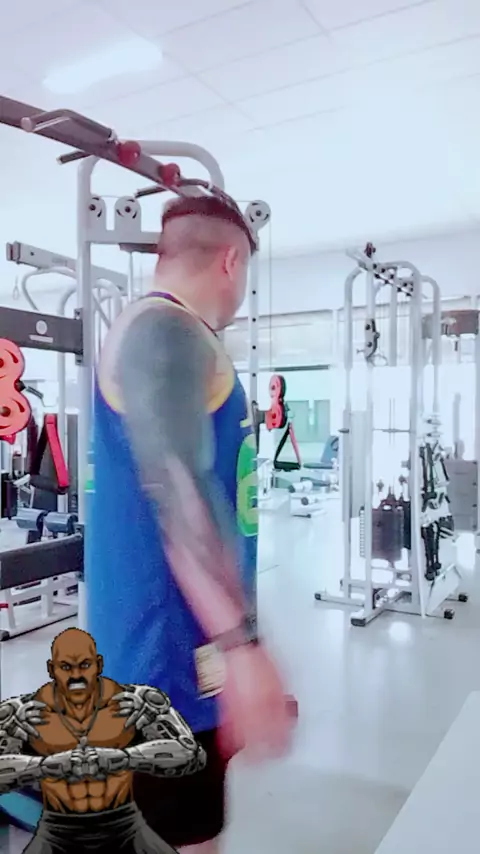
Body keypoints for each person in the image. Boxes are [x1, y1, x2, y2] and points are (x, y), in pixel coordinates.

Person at [87, 193, 294, 853]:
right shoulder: (164, 332)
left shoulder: (169, 334)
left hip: (181, 657)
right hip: (165, 666)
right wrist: (243, 648)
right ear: (232, 261)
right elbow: (178, 493)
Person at [0, 627, 206, 854]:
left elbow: (189, 751)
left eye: (84, 665)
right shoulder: (22, 713)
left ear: (98, 664)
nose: (76, 676)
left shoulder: (139, 702)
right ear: (52, 668)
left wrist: (124, 757)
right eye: (66, 667)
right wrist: (44, 766)